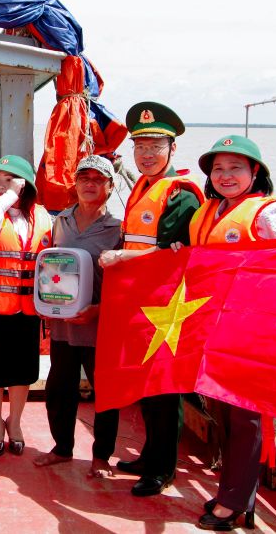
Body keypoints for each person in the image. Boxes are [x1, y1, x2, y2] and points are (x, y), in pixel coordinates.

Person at [177, 135, 276, 530]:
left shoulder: (270, 213)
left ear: (255, 172)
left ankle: (235, 501)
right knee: (225, 414)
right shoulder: (207, 213)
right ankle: (235, 491)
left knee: (247, 417)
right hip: (212, 329)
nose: (226, 175)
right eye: (218, 169)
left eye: (236, 168)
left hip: (253, 332)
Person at [98, 102, 203, 497]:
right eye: (140, 146)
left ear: (172, 150)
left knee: (164, 387)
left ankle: (163, 468)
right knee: (146, 386)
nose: (146, 153)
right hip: (137, 302)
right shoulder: (143, 186)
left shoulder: (180, 195)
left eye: (155, 146)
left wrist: (124, 257)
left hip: (166, 307)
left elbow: (177, 255)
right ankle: (148, 455)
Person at [34, 155, 122, 476]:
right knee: (60, 389)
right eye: (83, 178)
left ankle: (101, 456)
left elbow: (125, 280)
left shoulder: (119, 229)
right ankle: (62, 448)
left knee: (106, 393)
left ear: (110, 187)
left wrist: (99, 309)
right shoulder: (60, 222)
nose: (89, 184)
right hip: (62, 326)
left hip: (100, 325)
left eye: (97, 179)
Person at [0, 155, 52, 457]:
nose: (1, 185)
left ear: (26, 184)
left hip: (28, 309)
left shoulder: (43, 217)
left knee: (22, 372)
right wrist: (10, 195)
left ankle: (14, 422)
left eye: (9, 179)